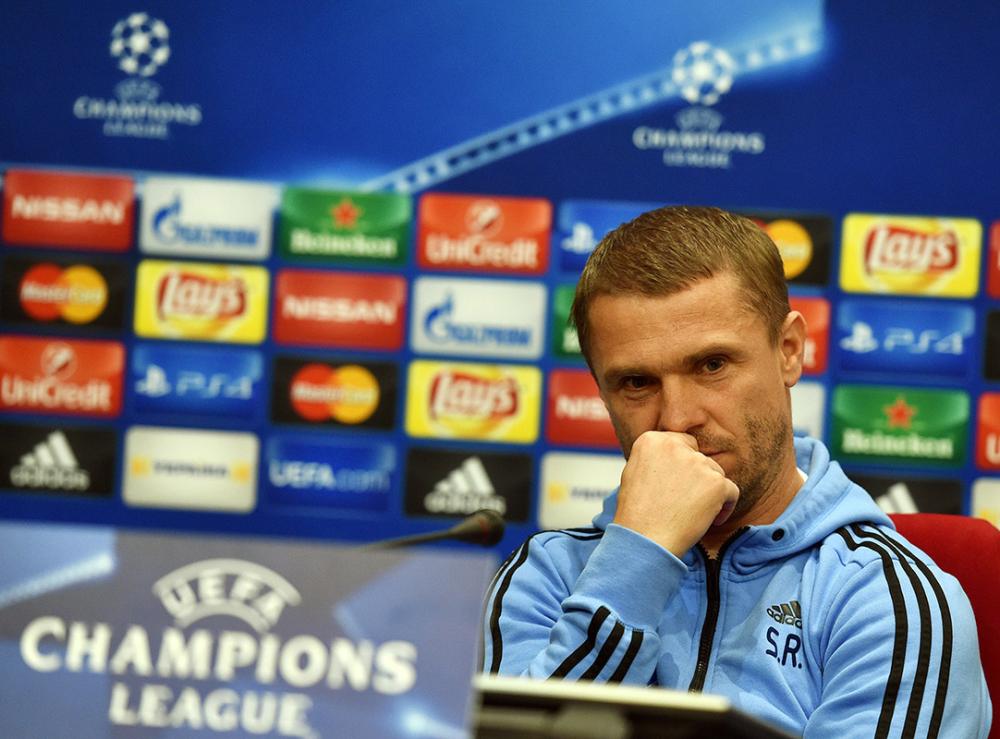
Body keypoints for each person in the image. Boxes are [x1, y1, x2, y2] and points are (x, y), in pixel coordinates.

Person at [481, 206, 992, 737]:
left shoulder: (887, 599)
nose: (678, 418)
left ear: (789, 350)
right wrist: (638, 558)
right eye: (636, 382)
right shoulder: (546, 578)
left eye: (712, 365)